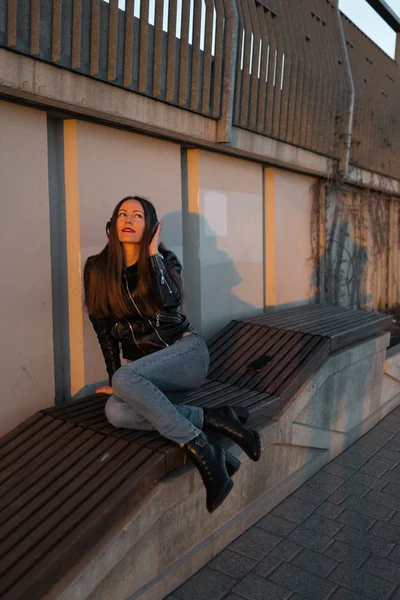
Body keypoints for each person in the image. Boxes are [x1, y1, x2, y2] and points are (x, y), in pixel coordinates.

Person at [83, 195, 261, 513]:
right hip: (148, 372)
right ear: (112, 225)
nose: (128, 219)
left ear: (151, 227)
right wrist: (118, 381)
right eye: (122, 213)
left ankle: (203, 450)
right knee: (116, 412)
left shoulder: (165, 261)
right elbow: (103, 329)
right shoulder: (97, 270)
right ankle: (213, 419)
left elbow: (169, 301)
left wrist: (152, 255)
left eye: (137, 215)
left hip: (186, 354)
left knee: (126, 378)